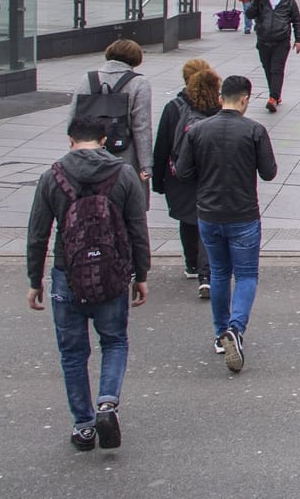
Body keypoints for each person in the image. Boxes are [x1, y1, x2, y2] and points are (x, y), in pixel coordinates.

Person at [25, 117, 150, 453]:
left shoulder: (51, 177)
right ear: (105, 139)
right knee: (114, 342)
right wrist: (141, 275)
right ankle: (107, 403)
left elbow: (38, 233)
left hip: (68, 276)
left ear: (70, 140)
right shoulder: (123, 174)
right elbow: (137, 229)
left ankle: (83, 426)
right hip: (112, 275)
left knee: (72, 354)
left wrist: (34, 280)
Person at [175, 75, 275, 373]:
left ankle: (221, 334)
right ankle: (236, 328)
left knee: (219, 272)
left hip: (209, 212)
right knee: (246, 275)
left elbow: (182, 171)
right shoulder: (254, 130)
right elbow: (269, 172)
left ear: (221, 98)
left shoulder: (198, 130)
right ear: (244, 99)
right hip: (243, 213)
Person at [152, 60, 220, 297]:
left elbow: (162, 145)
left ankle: (192, 264)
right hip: (210, 173)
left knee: (188, 218)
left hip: (179, 174)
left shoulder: (174, 107)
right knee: (207, 219)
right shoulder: (218, 106)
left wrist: (158, 181)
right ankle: (207, 273)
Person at [68, 39, 153, 187]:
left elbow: (73, 118)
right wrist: (146, 165)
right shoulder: (139, 83)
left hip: (88, 154)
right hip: (124, 155)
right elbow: (142, 126)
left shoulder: (88, 79)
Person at [244, 0, 300, 112]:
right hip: (264, 40)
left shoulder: (288, 0)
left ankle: (273, 98)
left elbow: (296, 20)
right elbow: (250, 15)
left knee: (277, 69)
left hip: (281, 41)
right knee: (268, 69)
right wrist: (256, 0)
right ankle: (276, 95)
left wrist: (298, 39)